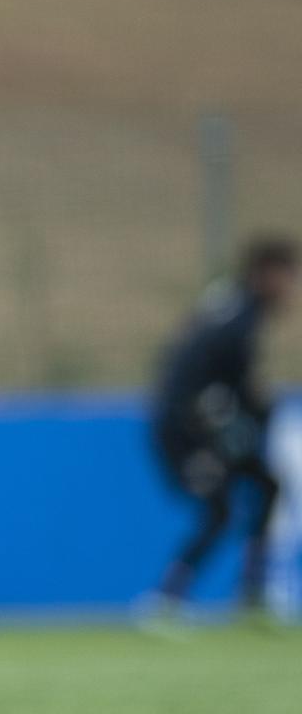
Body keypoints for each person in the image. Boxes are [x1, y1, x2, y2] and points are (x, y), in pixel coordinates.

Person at [147, 235, 296, 620]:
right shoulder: (237, 318)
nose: (290, 286)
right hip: (190, 427)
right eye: (286, 275)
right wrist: (207, 440)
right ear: (265, 273)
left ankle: (252, 591)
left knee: (265, 487)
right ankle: (167, 598)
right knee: (222, 509)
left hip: (202, 422)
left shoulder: (228, 302)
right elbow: (197, 377)